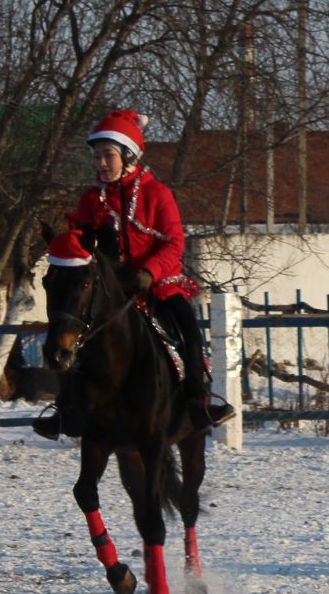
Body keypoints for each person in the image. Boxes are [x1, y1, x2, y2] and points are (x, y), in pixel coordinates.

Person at [34, 110, 235, 439]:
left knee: (188, 329)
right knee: (71, 333)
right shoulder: (91, 199)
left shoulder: (158, 195)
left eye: (107, 156)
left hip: (158, 285)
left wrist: (147, 273)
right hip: (111, 290)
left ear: (128, 156)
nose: (100, 164)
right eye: (97, 156)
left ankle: (199, 401)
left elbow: (175, 244)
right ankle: (65, 408)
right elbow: (84, 247)